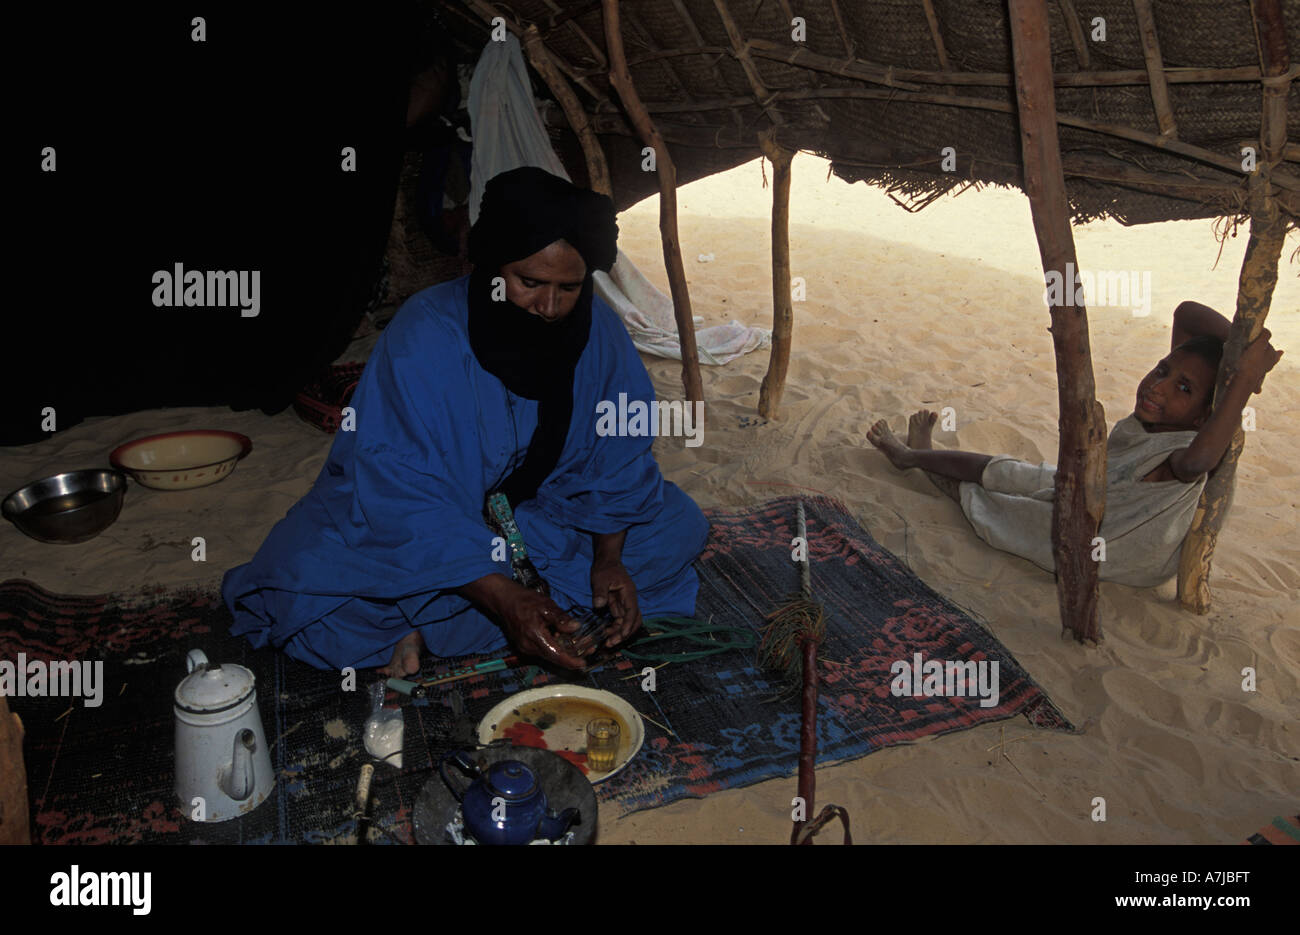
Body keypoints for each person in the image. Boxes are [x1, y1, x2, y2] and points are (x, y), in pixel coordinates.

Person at [223, 167, 708, 674]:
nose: (549, 306)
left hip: (541, 519)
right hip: (422, 525)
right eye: (530, 282)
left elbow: (619, 456)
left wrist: (608, 559)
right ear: (494, 266)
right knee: (303, 587)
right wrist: (503, 596)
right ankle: (482, 612)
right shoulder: (426, 332)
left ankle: (461, 619)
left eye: (569, 287)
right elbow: (399, 491)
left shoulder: (598, 330)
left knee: (678, 525)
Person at [866, 301, 1283, 588]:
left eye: (1183, 387)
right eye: (1161, 369)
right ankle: (921, 455)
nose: (1158, 386)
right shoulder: (1172, 417)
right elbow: (1187, 314)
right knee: (1013, 470)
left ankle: (914, 460)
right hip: (1093, 492)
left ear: (1202, 416)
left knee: (997, 504)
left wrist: (1243, 381)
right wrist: (1241, 355)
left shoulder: (1189, 449)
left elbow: (1200, 462)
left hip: (1109, 545)